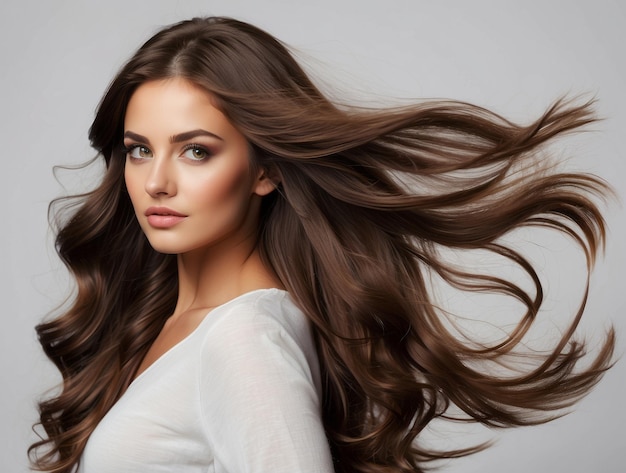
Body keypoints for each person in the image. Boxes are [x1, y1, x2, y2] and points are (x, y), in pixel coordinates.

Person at [30, 16, 615, 473]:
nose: (157, 180)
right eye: (139, 149)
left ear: (267, 171)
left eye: (197, 150)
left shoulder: (243, 339)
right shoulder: (170, 323)